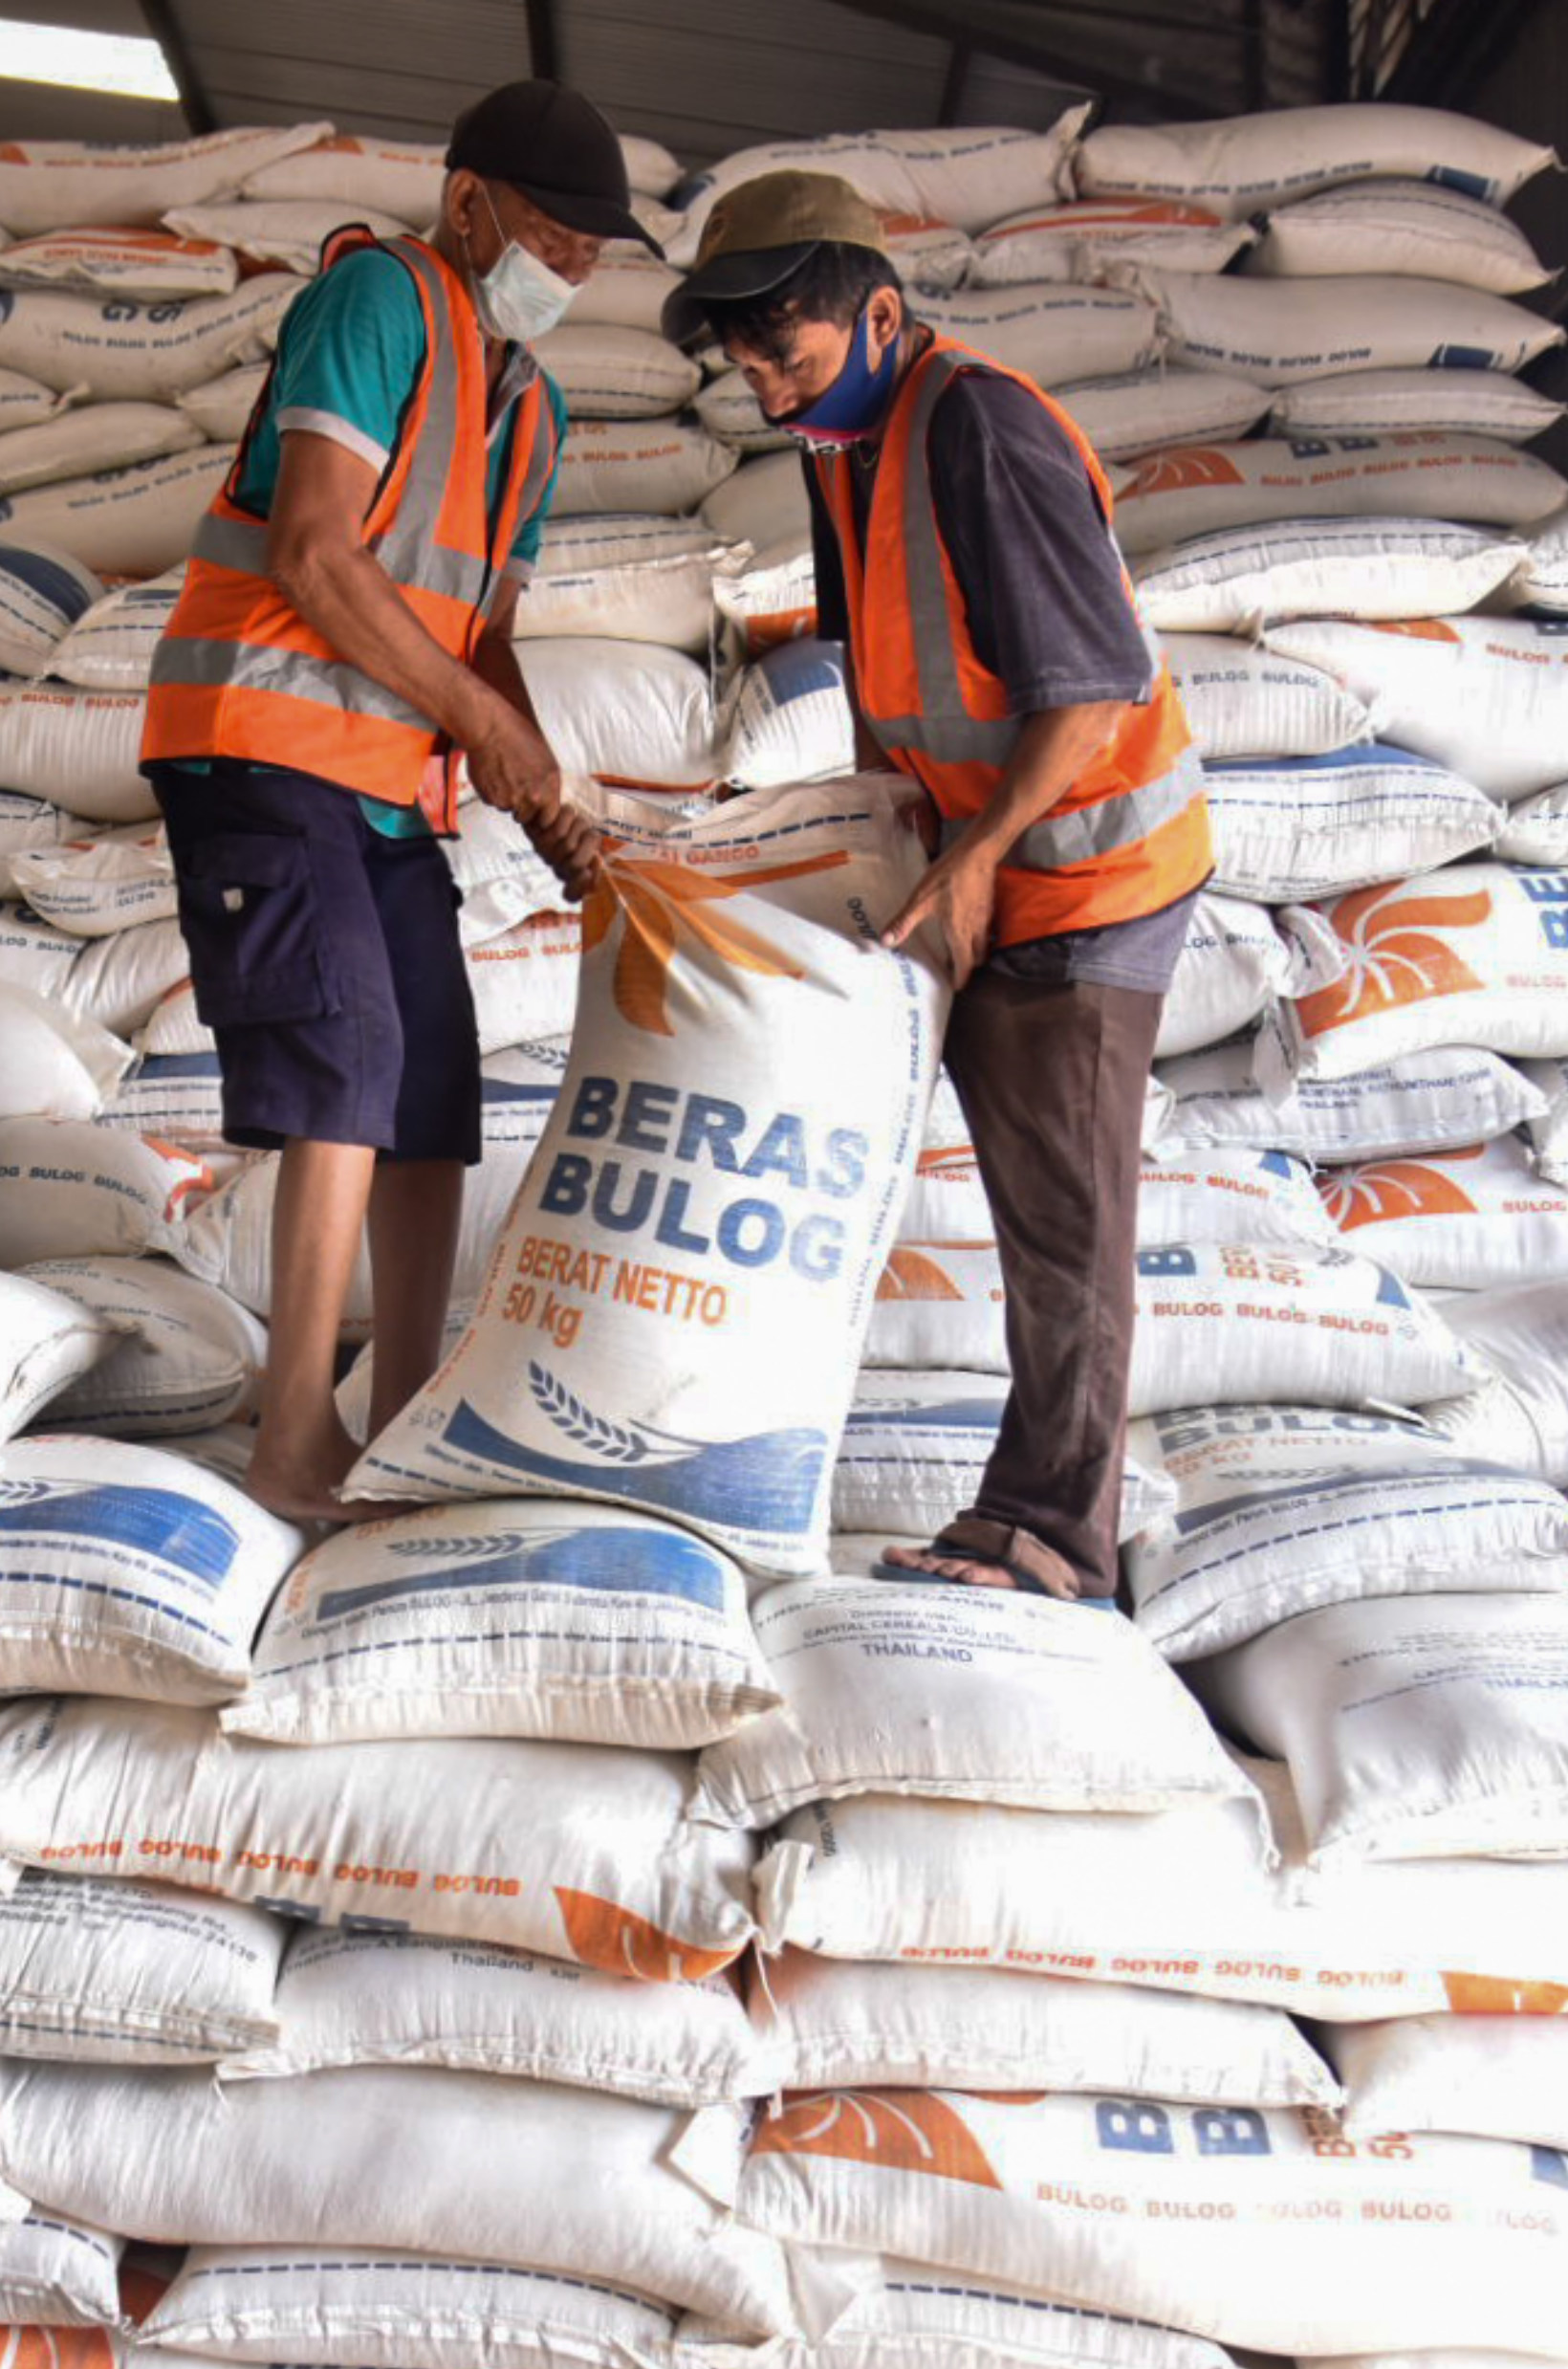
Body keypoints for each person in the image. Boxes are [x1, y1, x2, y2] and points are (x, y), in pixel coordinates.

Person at [664, 170, 1214, 1602]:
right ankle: (1024, 1504)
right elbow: (885, 682)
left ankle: (1059, 1538)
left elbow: (1091, 689)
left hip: (1091, 869)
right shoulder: (845, 447)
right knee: (1029, 1204)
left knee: (1065, 1214)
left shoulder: (978, 421)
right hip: (986, 857)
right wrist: (884, 846)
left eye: (787, 355)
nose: (771, 392)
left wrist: (972, 862)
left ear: (880, 313)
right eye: (748, 366)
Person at [139, 78, 649, 1524]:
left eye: (597, 251)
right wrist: (480, 720)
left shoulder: (533, 407)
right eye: (556, 231)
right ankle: (295, 1435)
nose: (576, 267)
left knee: (433, 1089)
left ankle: (407, 1417)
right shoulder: (378, 302)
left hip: (378, 788)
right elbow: (311, 550)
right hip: (257, 742)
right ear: (471, 201)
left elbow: (482, 635)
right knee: (352, 1055)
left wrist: (545, 787)